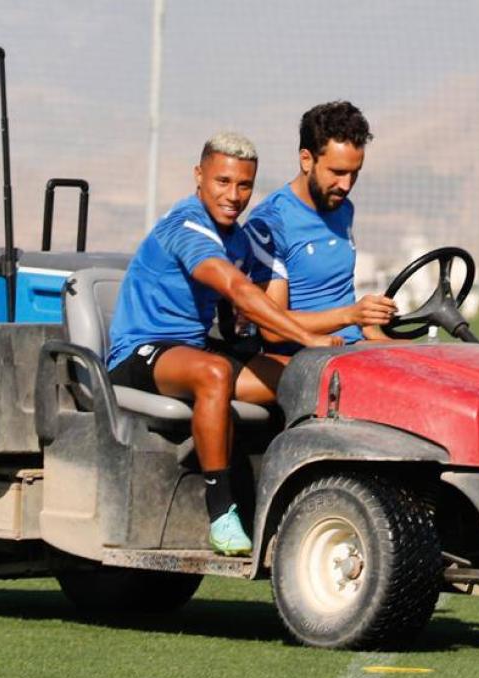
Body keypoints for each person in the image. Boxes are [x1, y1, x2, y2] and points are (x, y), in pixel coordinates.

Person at [105, 132, 343, 556]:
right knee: (213, 372)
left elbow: (252, 303)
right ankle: (221, 512)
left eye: (244, 186)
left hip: (193, 353)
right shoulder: (186, 225)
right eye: (223, 182)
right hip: (141, 354)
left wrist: (289, 337)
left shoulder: (236, 238)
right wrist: (306, 335)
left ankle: (302, 494)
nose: (233, 196)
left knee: (301, 376)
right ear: (200, 176)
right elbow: (234, 286)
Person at [244, 101, 395, 352]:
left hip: (353, 348)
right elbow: (271, 328)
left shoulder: (343, 208)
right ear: (306, 160)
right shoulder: (270, 223)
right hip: (306, 360)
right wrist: (351, 316)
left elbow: (345, 300)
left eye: (354, 173)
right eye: (337, 172)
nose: (346, 185)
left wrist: (380, 334)